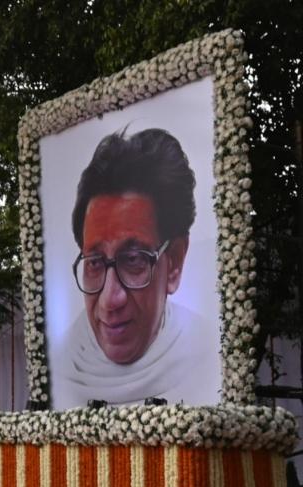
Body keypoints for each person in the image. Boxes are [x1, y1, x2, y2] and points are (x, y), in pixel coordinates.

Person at [55, 127, 213, 407]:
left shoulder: (210, 359)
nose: (109, 300)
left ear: (174, 262)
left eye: (133, 260)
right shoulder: (61, 366)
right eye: (94, 262)